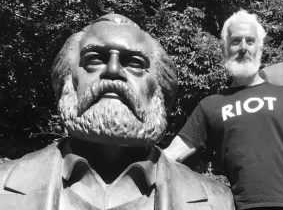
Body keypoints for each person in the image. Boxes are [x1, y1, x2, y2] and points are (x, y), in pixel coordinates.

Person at [0, 14, 234, 210]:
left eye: (133, 63)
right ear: (67, 80)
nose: (113, 70)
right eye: (94, 59)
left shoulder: (216, 201)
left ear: (160, 90)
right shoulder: (4, 184)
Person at [164, 10, 283, 210]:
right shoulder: (211, 106)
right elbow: (171, 155)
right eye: (236, 41)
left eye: (250, 41)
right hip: (241, 206)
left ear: (260, 49)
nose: (243, 48)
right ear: (226, 49)